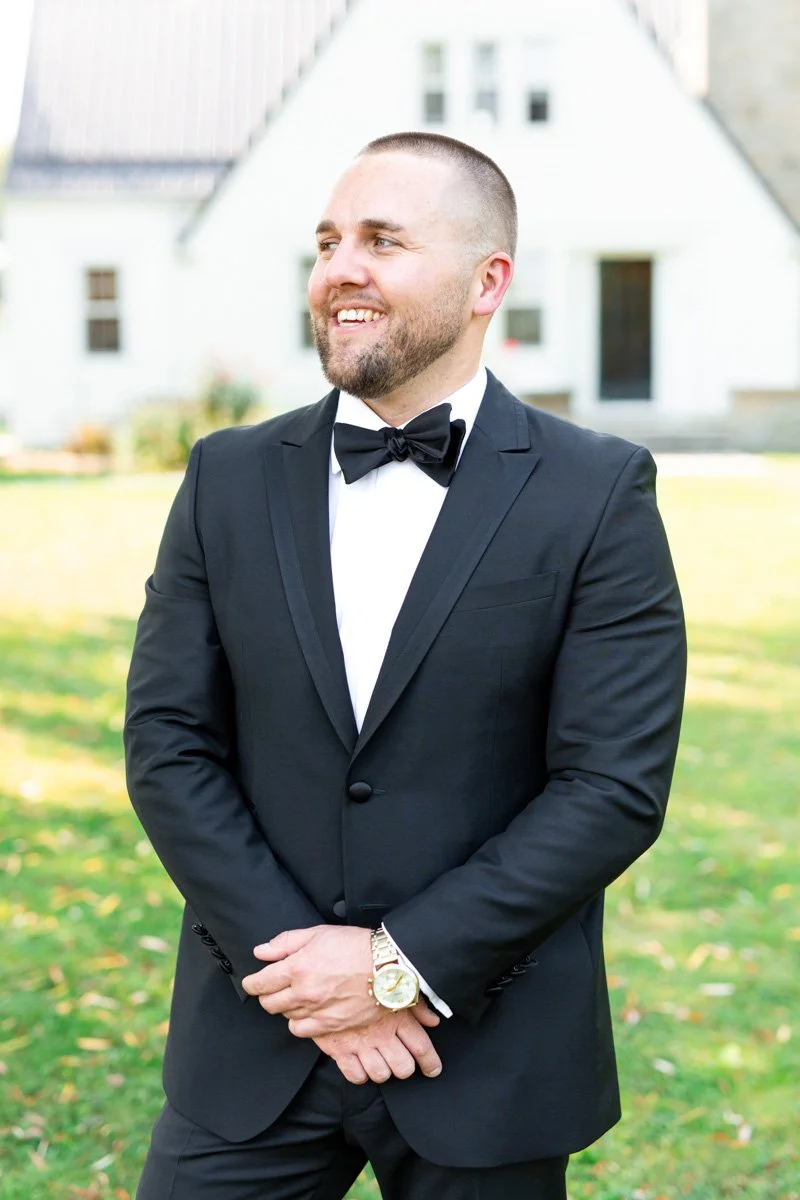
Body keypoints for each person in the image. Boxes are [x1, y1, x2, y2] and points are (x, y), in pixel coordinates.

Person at [125, 130, 687, 1200]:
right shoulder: (225, 479)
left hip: (487, 1044)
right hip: (255, 1036)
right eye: (329, 240)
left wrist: (396, 967)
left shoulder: (596, 492)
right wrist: (306, 974)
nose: (341, 267)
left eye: (382, 240)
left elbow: (609, 784)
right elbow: (169, 743)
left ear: (488, 282)